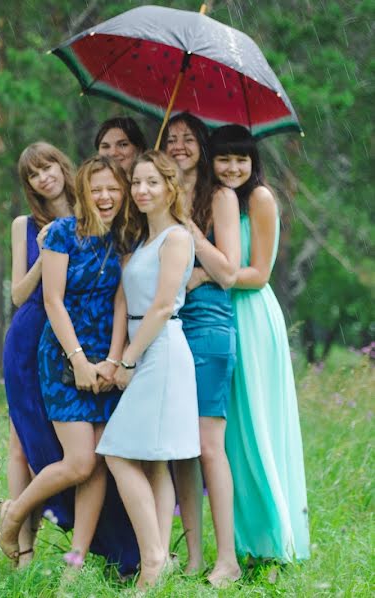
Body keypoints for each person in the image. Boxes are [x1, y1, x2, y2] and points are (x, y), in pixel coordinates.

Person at [0, 152, 139, 575]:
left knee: (95, 463)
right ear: (84, 191)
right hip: (63, 357)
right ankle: (15, 516)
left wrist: (113, 360)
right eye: (97, 190)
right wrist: (78, 360)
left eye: (114, 189)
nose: (106, 197)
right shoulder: (60, 233)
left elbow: (120, 302)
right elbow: (52, 300)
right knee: (78, 461)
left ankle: (75, 562)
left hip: (105, 359)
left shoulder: (124, 238)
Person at [96, 151, 198, 591]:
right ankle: (160, 564)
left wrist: (129, 359)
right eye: (136, 182)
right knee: (154, 463)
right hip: (143, 344)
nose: (141, 190)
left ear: (170, 187)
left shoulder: (177, 238)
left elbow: (161, 305)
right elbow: (126, 301)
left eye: (152, 182)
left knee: (116, 452)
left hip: (161, 349)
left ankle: (153, 559)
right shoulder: (143, 241)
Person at [210, 124, 310, 563]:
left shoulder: (260, 199)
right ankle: (242, 543)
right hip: (219, 313)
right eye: (224, 158)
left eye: (241, 159)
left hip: (250, 314)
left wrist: (208, 273)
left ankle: (275, 541)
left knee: (256, 427)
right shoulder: (215, 201)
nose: (233, 168)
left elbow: (257, 273)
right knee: (228, 436)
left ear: (254, 163)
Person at [163, 113, 242, 585]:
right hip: (169, 326)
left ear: (202, 145)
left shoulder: (220, 197)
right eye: (171, 139)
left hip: (209, 325)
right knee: (179, 449)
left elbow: (229, 272)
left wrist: (189, 232)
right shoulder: (157, 195)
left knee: (209, 444)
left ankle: (227, 558)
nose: (178, 146)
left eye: (188, 139)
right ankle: (193, 556)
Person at [1, 141, 76, 569]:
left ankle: (86, 537)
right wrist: (44, 251)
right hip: (29, 338)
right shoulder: (24, 225)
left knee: (72, 447)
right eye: (33, 174)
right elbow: (17, 294)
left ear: (63, 167)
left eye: (48, 167)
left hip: (74, 339)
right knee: (21, 445)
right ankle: (23, 550)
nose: (43, 177)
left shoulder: (91, 214)